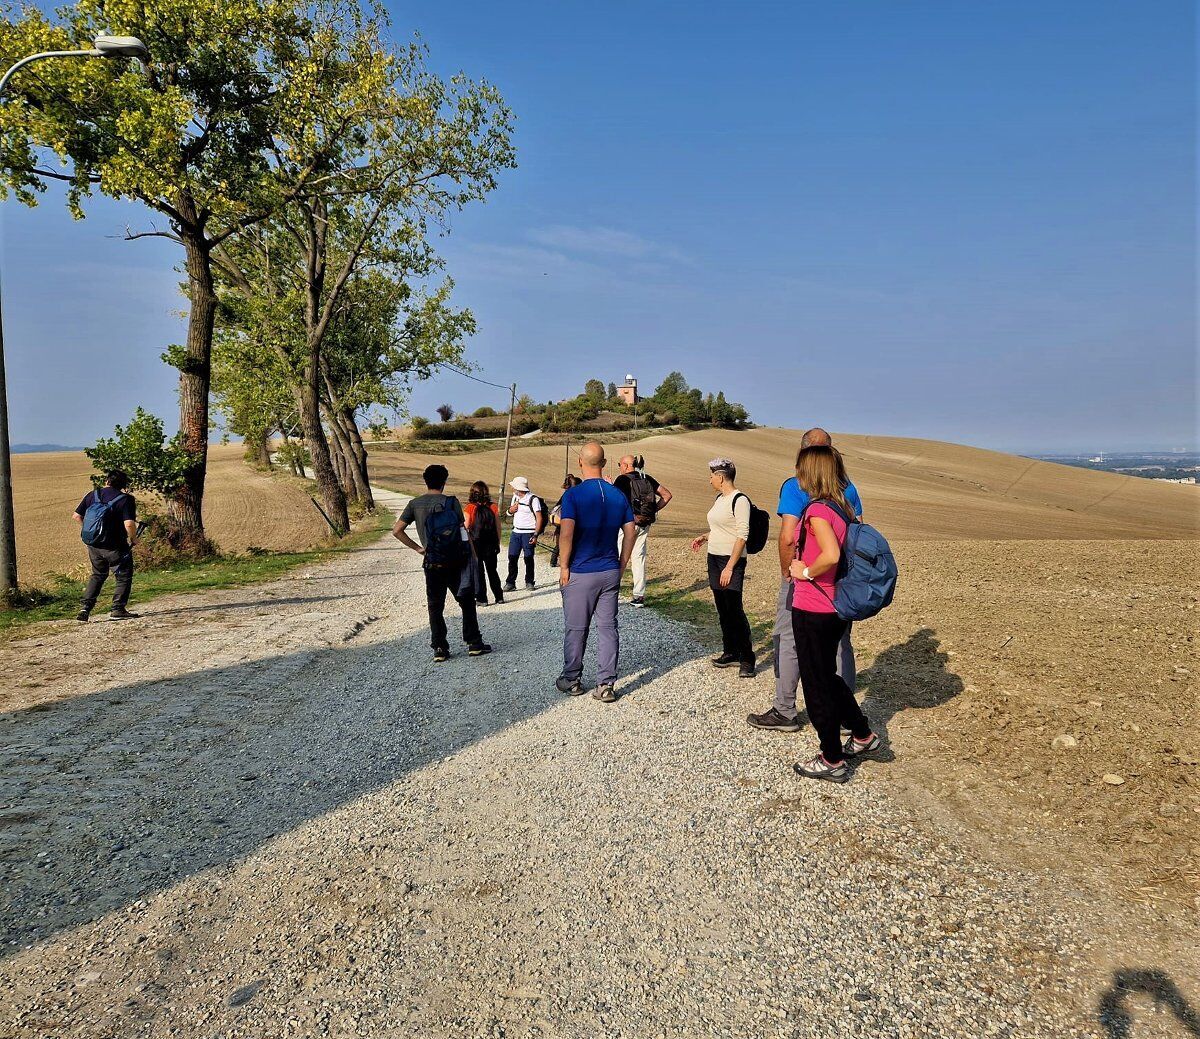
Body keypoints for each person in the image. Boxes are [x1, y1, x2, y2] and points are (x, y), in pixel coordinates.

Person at [748, 427, 864, 732]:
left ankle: (785, 709)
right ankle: (844, 713)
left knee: (788, 639)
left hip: (808, 579)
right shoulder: (848, 488)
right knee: (841, 643)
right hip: (842, 582)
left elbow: (787, 537)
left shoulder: (795, 487)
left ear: (803, 456)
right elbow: (858, 532)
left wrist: (789, 572)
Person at [784, 445, 881, 782]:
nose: (797, 476)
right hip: (834, 607)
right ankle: (863, 735)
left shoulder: (818, 512)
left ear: (810, 472)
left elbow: (830, 554)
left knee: (815, 683)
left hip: (814, 606)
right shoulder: (842, 508)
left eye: (800, 469)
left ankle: (831, 758)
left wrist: (804, 571)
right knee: (827, 674)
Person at [556, 442, 636, 703]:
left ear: (580, 462)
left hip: (581, 570)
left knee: (577, 627)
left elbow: (566, 533)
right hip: (610, 569)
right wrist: (622, 563)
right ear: (603, 463)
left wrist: (564, 567)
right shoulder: (617, 495)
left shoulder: (573, 495)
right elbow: (630, 531)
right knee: (608, 628)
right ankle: (606, 684)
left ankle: (572, 678)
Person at [393, 464, 492, 662]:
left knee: (435, 606)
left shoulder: (414, 504)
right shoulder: (451, 502)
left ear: (425, 480)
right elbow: (462, 530)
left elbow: (397, 530)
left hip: (432, 563)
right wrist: (472, 556)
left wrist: (419, 549)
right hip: (456, 561)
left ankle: (440, 648)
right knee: (466, 601)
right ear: (444, 481)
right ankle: (473, 643)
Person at [690, 458, 755, 677]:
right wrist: (704, 537)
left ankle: (747, 658)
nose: (709, 480)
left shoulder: (740, 500)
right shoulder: (720, 499)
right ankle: (730, 652)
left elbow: (742, 535)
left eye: (711, 476)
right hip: (714, 559)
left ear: (720, 477)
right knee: (723, 609)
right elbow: (720, 528)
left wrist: (730, 567)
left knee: (734, 609)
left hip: (731, 561)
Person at [73, 469, 139, 622]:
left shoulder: (93, 495)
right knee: (123, 575)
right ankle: (118, 608)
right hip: (115, 545)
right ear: (123, 485)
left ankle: (85, 609)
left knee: (97, 575)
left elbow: (76, 516)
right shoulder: (125, 499)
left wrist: (92, 531)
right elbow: (129, 524)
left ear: (107, 481)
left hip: (93, 545)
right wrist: (134, 539)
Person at [613, 454, 673, 607]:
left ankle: (612, 591)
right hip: (644, 524)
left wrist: (609, 484)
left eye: (620, 464)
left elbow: (613, 500)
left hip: (628, 525)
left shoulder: (622, 480)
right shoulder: (647, 478)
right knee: (639, 558)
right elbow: (667, 495)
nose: (619, 467)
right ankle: (639, 596)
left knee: (620, 557)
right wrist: (652, 511)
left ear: (626, 465)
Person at [465, 481, 503, 606]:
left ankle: (482, 599)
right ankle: (499, 597)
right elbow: (498, 527)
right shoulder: (493, 506)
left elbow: (466, 527)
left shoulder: (470, 508)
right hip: (491, 544)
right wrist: (498, 542)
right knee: (493, 571)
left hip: (476, 544)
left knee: (479, 572)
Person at [504, 476, 545, 592]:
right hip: (516, 532)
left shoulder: (533, 499)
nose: (512, 488)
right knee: (512, 558)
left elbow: (539, 518)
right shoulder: (515, 497)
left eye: (513, 486)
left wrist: (536, 535)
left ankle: (529, 582)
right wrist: (511, 510)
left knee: (528, 558)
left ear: (518, 487)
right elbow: (509, 513)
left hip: (528, 533)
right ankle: (510, 582)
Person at [549, 474, 581, 568]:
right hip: (570, 524)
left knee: (560, 544)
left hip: (560, 524)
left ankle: (554, 561)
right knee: (569, 544)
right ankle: (566, 563)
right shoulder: (574, 496)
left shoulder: (565, 494)